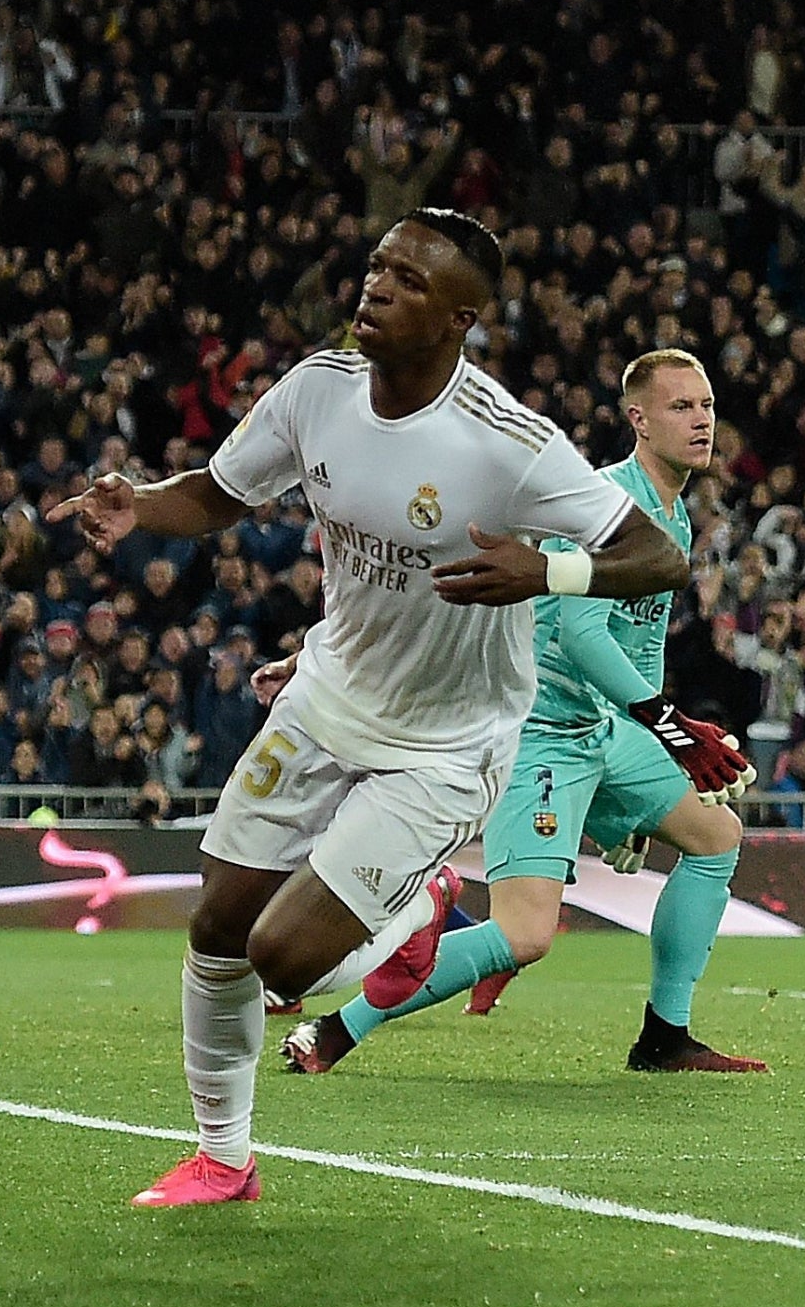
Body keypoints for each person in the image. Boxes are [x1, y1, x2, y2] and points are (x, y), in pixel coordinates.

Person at [45, 208, 691, 1208]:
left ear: (460, 316)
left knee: (282, 953)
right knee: (218, 927)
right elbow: (220, 491)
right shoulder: (317, 391)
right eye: (378, 266)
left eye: (410, 279)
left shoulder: (509, 445)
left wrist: (548, 567)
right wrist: (141, 504)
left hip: (448, 739)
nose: (377, 286)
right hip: (326, 697)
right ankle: (224, 1156)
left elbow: (661, 554)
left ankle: (421, 902)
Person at [276, 350, 762, 1077]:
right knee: (524, 933)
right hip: (538, 735)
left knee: (717, 834)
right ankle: (338, 1025)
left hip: (603, 731)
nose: (701, 421)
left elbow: (643, 643)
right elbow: (579, 633)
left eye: (707, 406)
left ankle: (665, 1033)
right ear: (638, 419)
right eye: (681, 407)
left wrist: (658, 751)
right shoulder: (601, 505)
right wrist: (670, 727)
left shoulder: (673, 518)